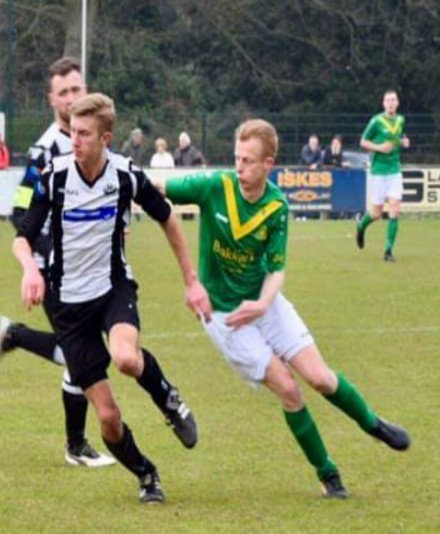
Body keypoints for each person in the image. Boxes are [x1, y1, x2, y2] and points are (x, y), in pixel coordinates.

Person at [159, 118, 411, 499]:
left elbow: (276, 270)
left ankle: (373, 424)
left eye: (248, 160)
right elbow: (157, 189)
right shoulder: (215, 186)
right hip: (223, 316)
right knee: (290, 390)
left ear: (268, 164)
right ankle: (329, 475)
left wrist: (261, 303)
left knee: (321, 378)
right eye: (237, 158)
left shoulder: (276, 205)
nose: (239, 167)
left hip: (265, 301)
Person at [14, 93, 206, 503]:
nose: (75, 141)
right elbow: (22, 236)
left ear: (105, 137)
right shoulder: (54, 177)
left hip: (112, 288)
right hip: (67, 306)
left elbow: (167, 216)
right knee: (108, 418)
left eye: (83, 134)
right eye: (72, 132)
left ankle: (168, 399)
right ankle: (146, 474)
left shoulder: (125, 175)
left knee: (126, 358)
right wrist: (30, 268)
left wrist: (191, 279)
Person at [0, 57, 114, 468]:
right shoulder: (45, 151)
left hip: (91, 270)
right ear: (52, 100)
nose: (72, 97)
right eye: (64, 92)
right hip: (57, 272)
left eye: (77, 89)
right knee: (82, 355)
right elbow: (20, 213)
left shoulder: (94, 141)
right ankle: (76, 446)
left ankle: (14, 336)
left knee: (79, 354)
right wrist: (41, 260)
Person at [356, 90, 410, 262]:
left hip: (395, 171)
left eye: (393, 100)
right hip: (379, 172)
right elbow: (363, 141)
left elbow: (398, 139)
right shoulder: (376, 121)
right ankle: (361, 225)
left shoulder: (401, 120)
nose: (391, 103)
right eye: (388, 100)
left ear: (398, 103)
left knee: (395, 209)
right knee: (376, 214)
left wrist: (403, 142)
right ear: (383, 103)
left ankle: (388, 251)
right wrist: (379, 148)